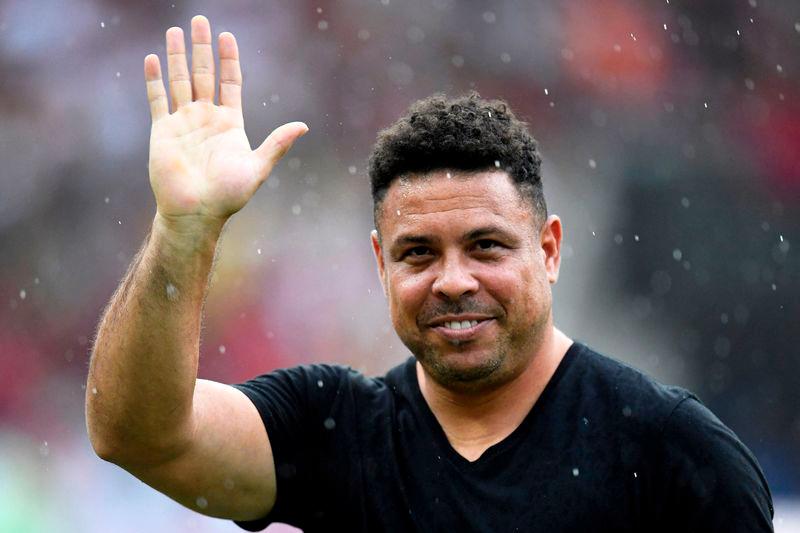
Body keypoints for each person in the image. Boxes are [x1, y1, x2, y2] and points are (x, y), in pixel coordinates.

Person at [85, 15, 774, 533]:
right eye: (418, 253)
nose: (452, 280)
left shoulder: (677, 453)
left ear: (550, 250)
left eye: (485, 246)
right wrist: (184, 231)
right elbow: (138, 434)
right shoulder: (334, 428)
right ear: (381, 263)